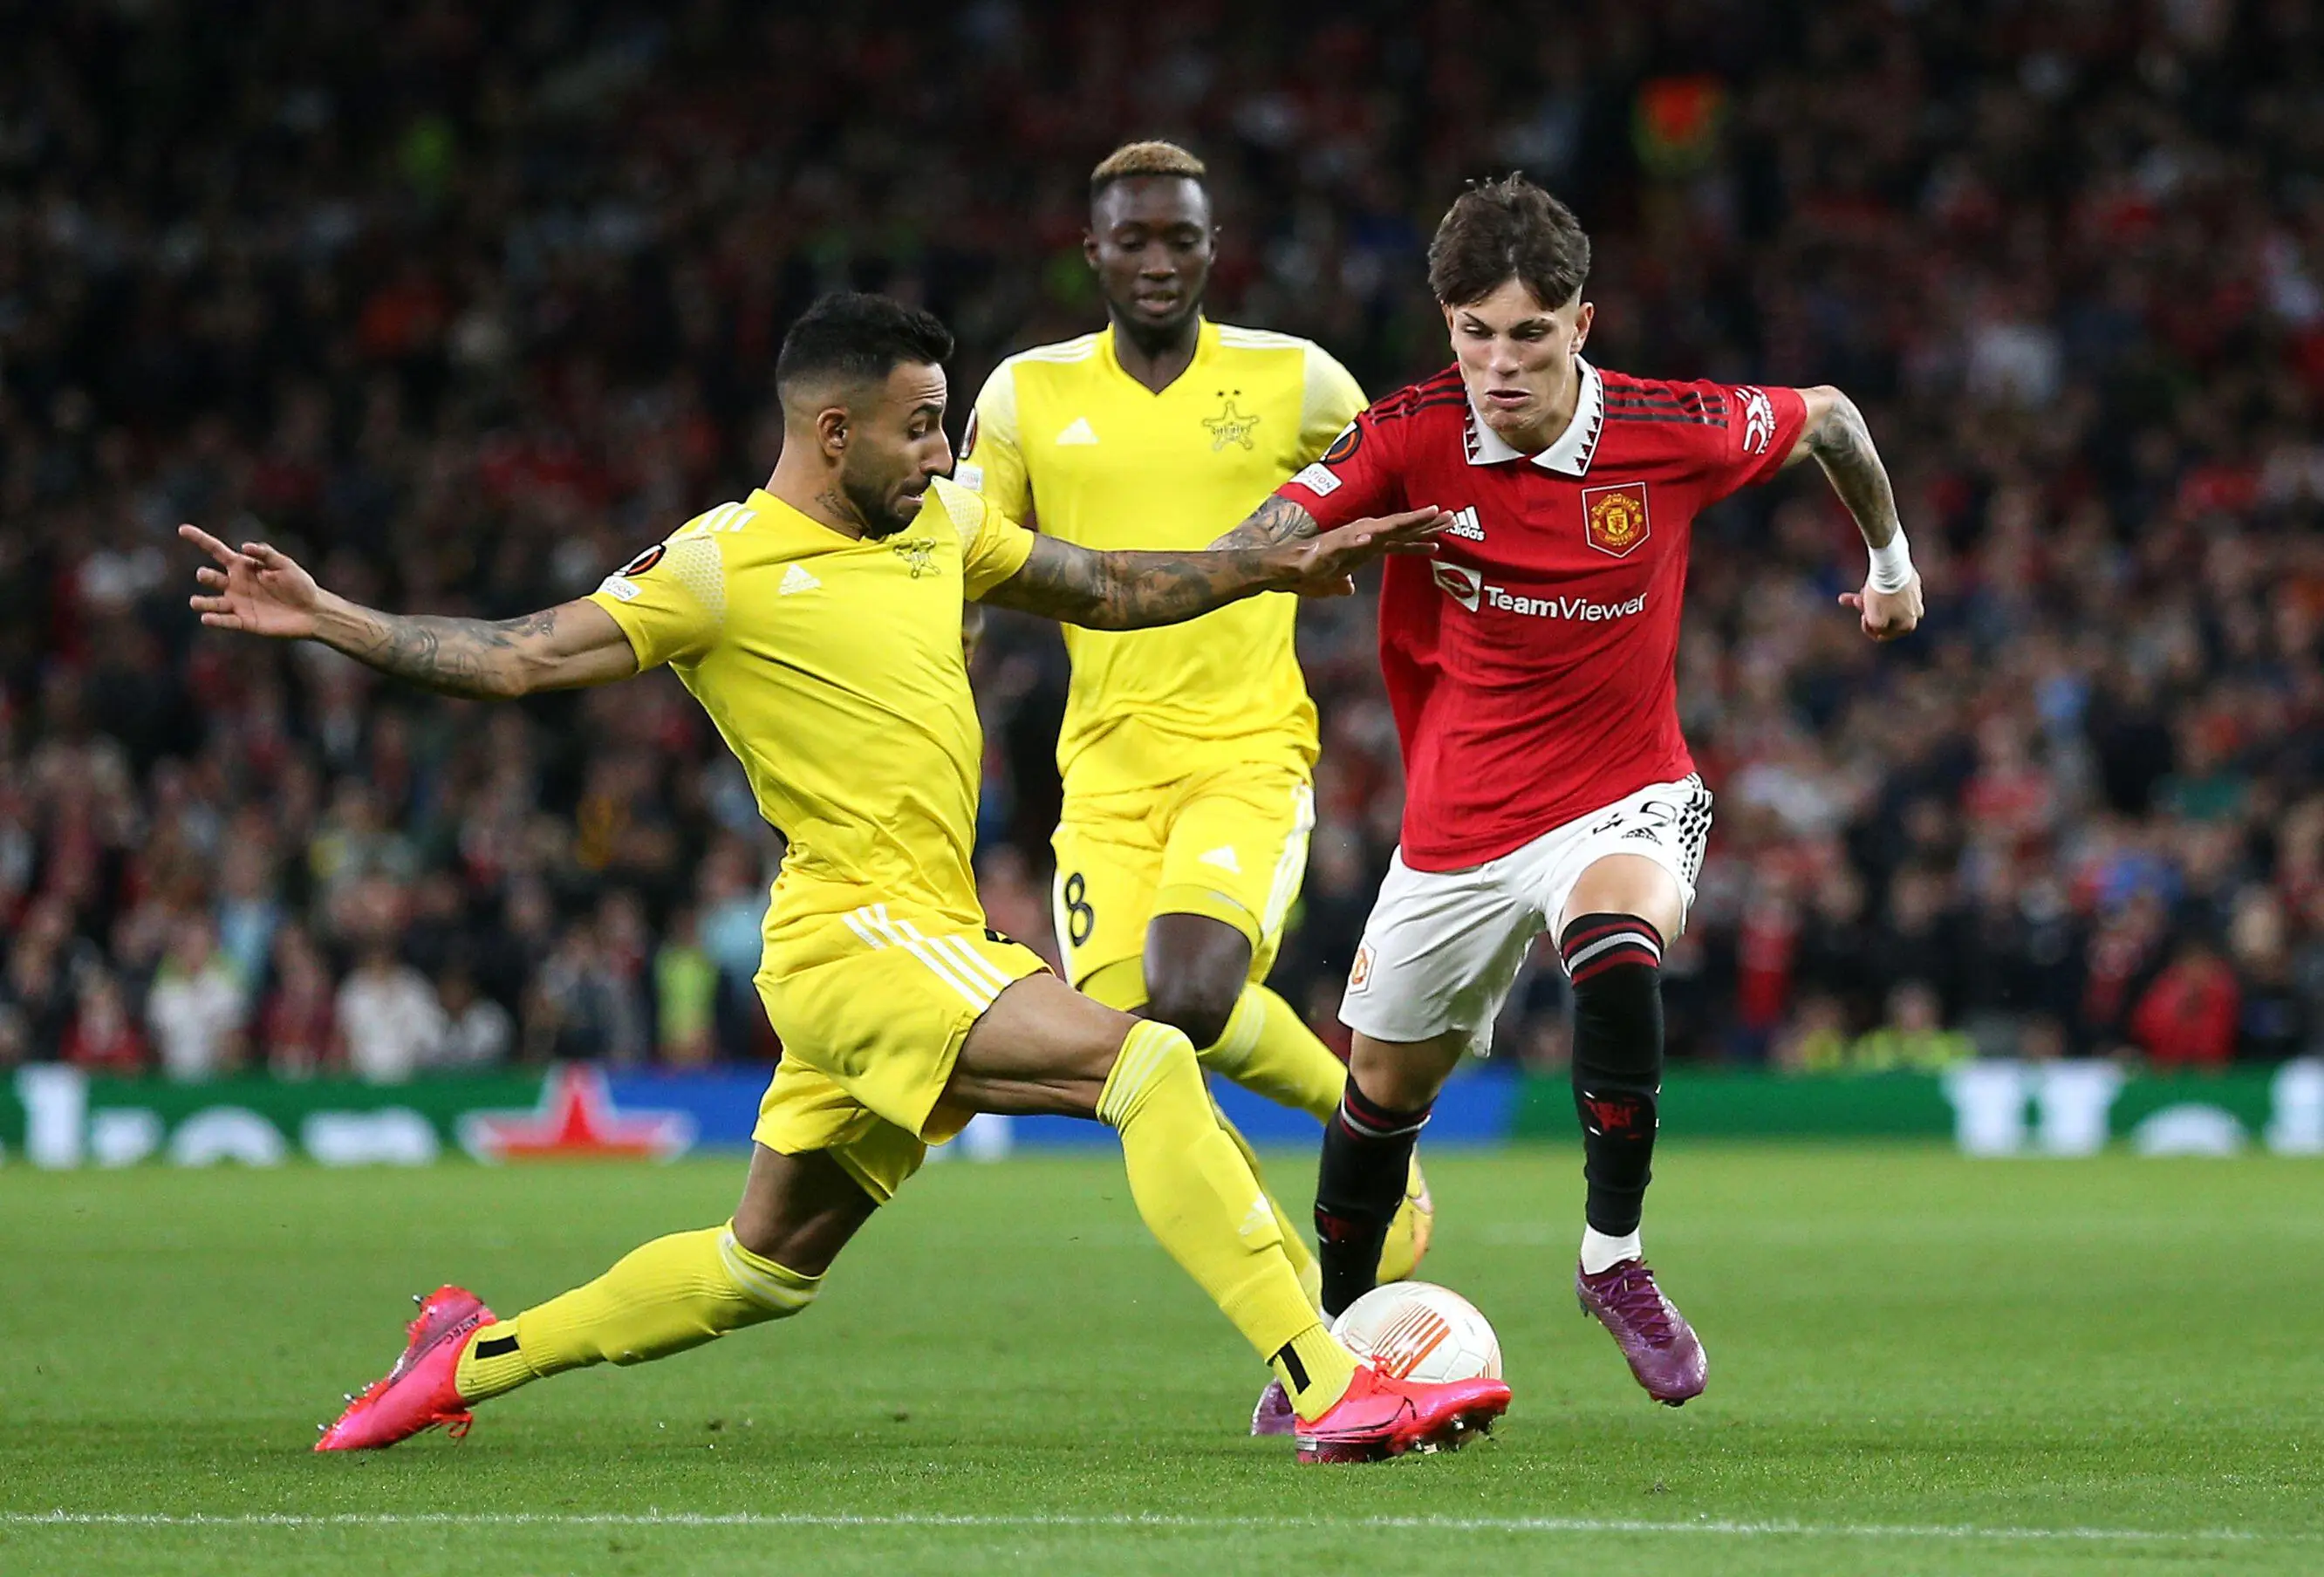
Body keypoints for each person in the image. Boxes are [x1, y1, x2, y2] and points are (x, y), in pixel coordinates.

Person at [180, 291, 1503, 1464]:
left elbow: (1103, 585)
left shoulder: (943, 527)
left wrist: (1267, 560)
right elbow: (523, 656)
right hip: (856, 935)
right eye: (922, 426)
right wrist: (333, 621)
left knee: (761, 1270)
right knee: (1146, 1066)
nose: (946, 453)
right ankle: (1324, 1379)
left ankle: (457, 1364)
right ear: (833, 435)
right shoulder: (716, 568)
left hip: (906, 941)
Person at [1213, 176, 1924, 1406]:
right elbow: (1256, 536)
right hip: (1457, 822)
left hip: (1622, 792)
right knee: (1381, 1094)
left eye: (1527, 334)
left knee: (1615, 939)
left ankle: (1614, 1259)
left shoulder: (1669, 427)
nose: (1497, 363)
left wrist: (1893, 563)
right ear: (1447, 327)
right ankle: (1332, 1349)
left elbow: (1831, 419)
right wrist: (1300, 549)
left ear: (1579, 327)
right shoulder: (1408, 433)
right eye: (1473, 332)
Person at [961, 140, 1432, 1435]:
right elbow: (957, 560)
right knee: (1140, 1063)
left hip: (1244, 753)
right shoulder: (1022, 398)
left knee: (1193, 993)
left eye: (1182, 239)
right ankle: (1308, 1310)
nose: (1159, 261)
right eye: (1135, 240)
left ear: (1213, 249)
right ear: (1093, 251)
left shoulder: (1293, 379)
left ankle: (1363, 1132)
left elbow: (1417, 468)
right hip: (1101, 780)